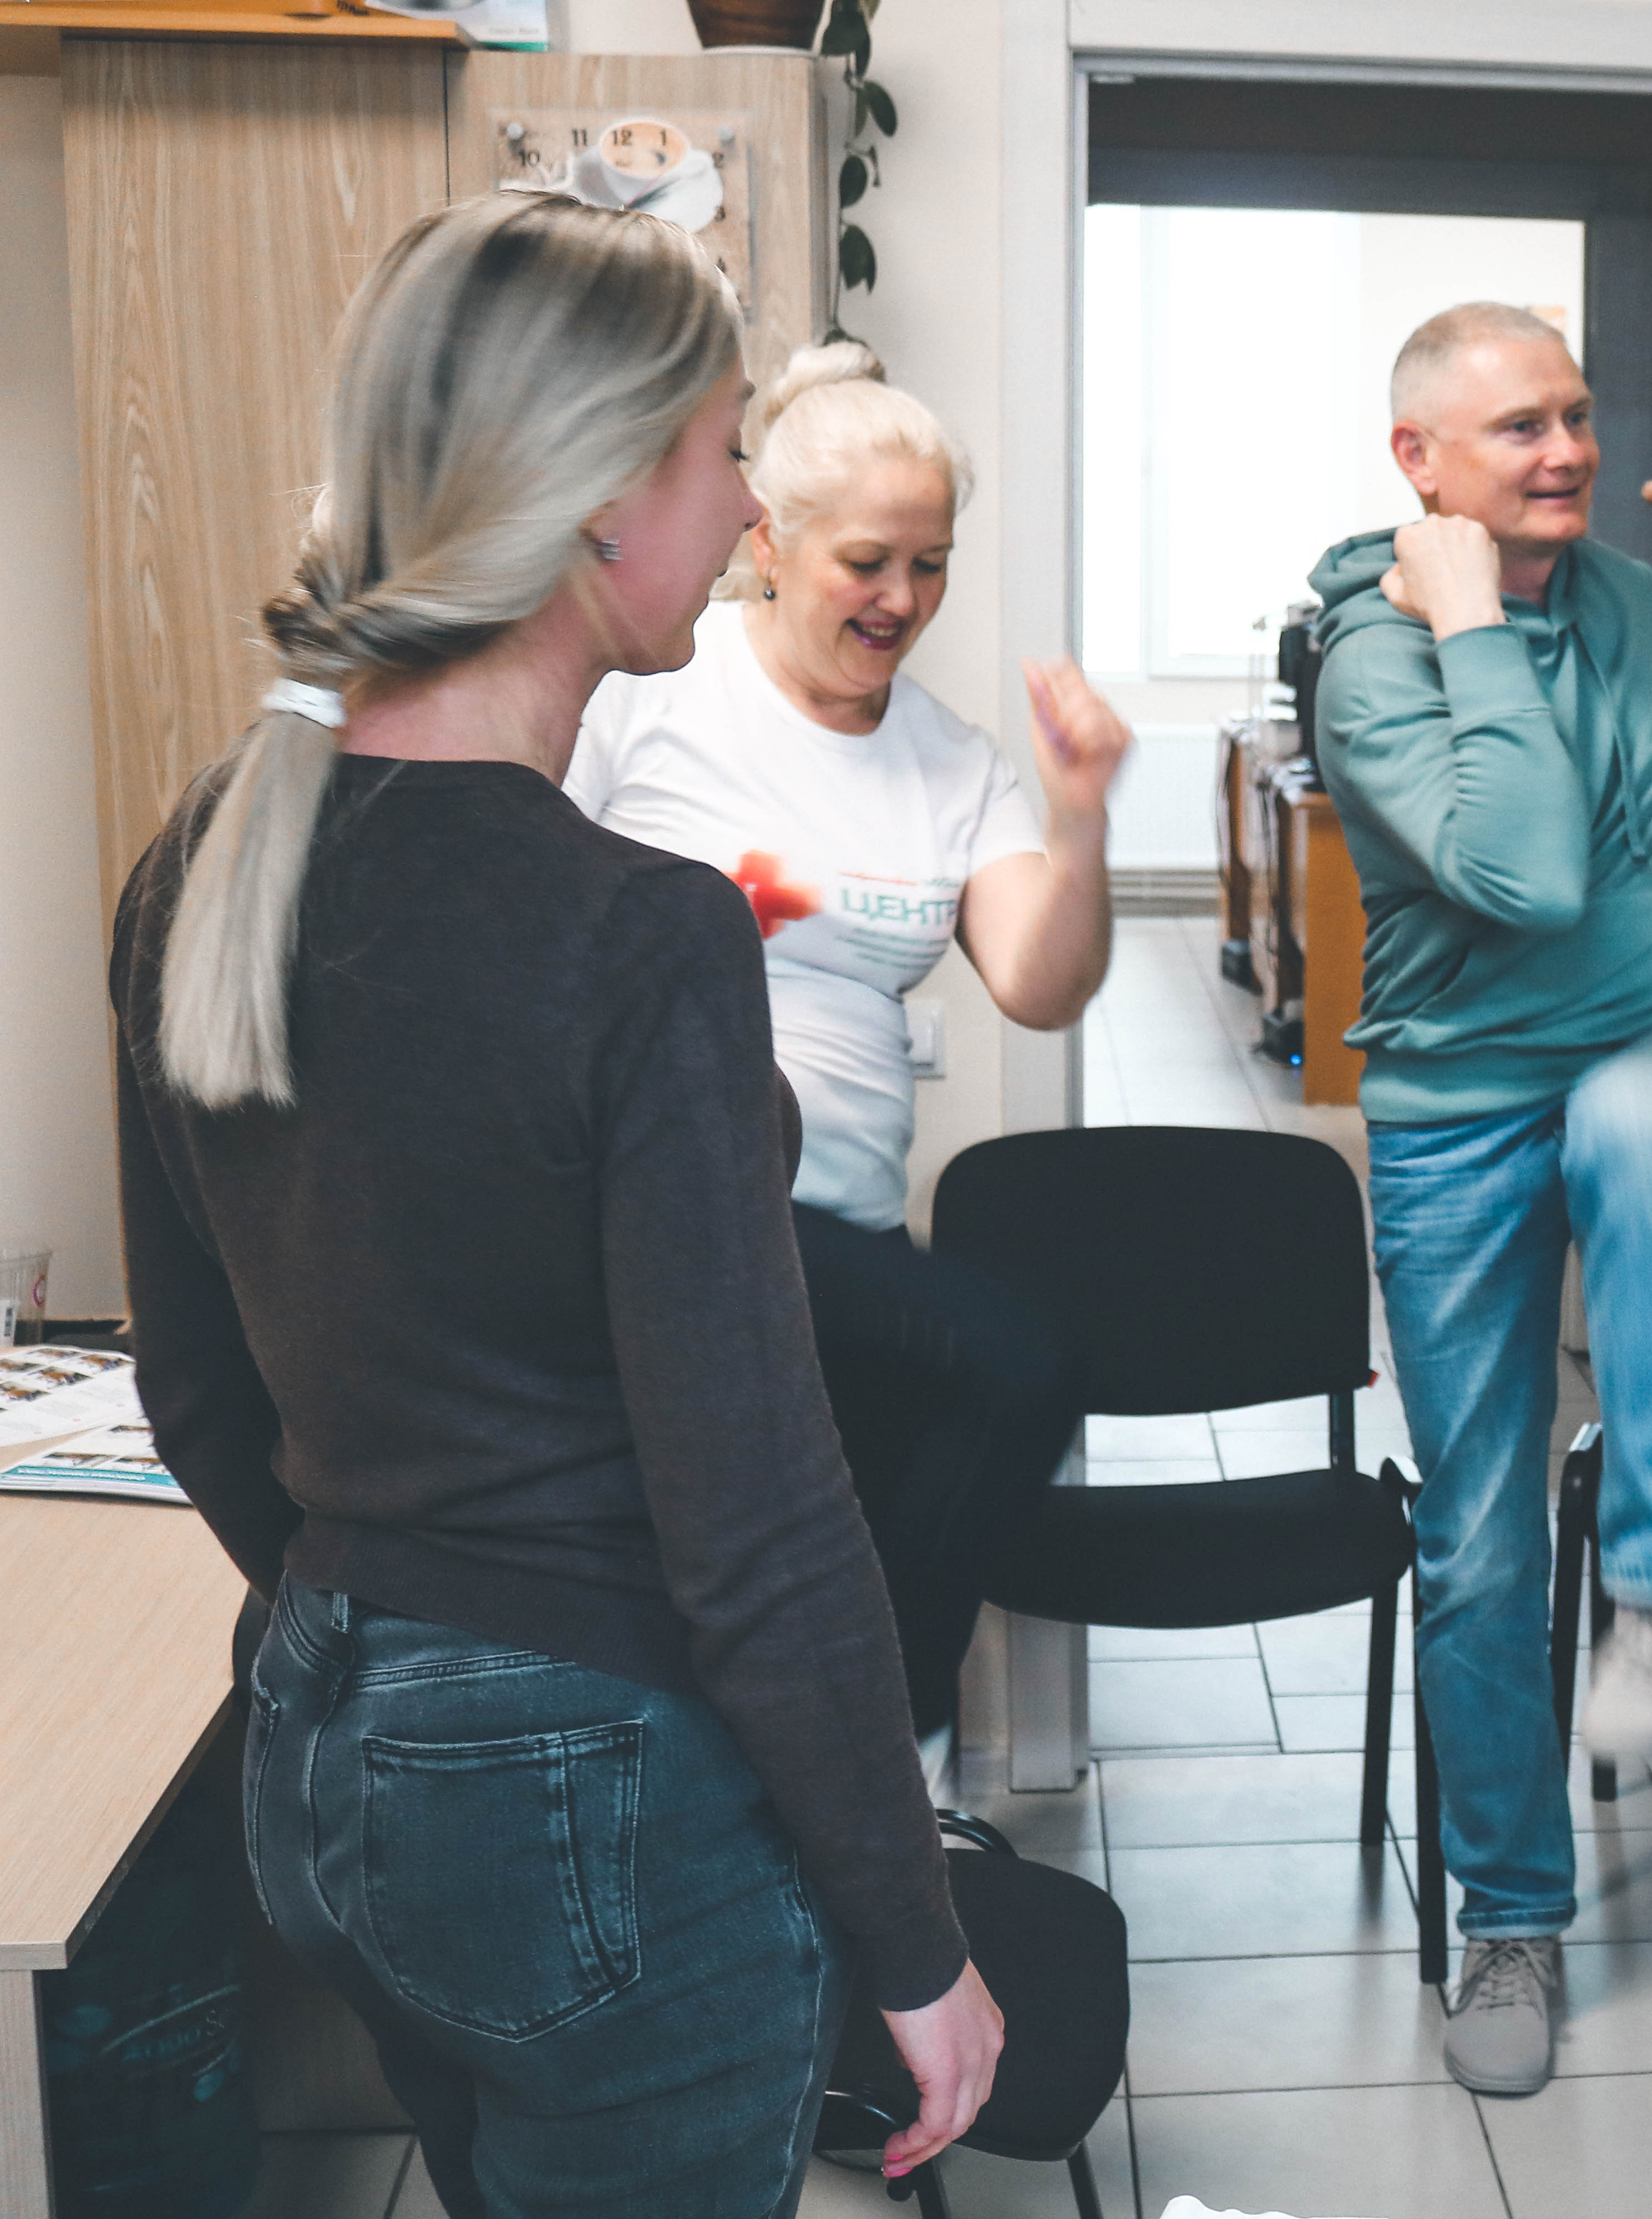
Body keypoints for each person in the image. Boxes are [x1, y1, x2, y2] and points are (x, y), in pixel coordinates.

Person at [113, 194, 997, 2212]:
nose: (740, 495)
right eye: (718, 452)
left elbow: (196, 1407)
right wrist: (916, 1937)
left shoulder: (207, 863)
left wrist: (402, 1660)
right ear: (606, 502)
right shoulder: (637, 936)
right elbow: (759, 1513)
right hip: (582, 1789)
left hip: (323, 1743)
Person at [1306, 302, 1652, 2097]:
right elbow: (1520, 862)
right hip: (1455, 1113)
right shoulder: (1370, 661)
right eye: (1521, 428)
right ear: (1421, 463)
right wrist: (1466, 619)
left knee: (1643, 1124)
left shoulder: (1627, 605)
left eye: (1578, 414)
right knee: (1484, 1533)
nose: (1571, 450)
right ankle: (1509, 1916)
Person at [565, 342, 1128, 1745]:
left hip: (849, 1235)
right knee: (1017, 1361)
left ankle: (865, 1800)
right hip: (679, 1211)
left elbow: (1039, 982)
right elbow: (520, 914)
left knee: (871, 1531)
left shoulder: (951, 761)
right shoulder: (651, 695)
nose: (902, 600)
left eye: (930, 566)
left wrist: (1080, 817)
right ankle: (882, 1752)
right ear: (771, 537)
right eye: (869, 561)